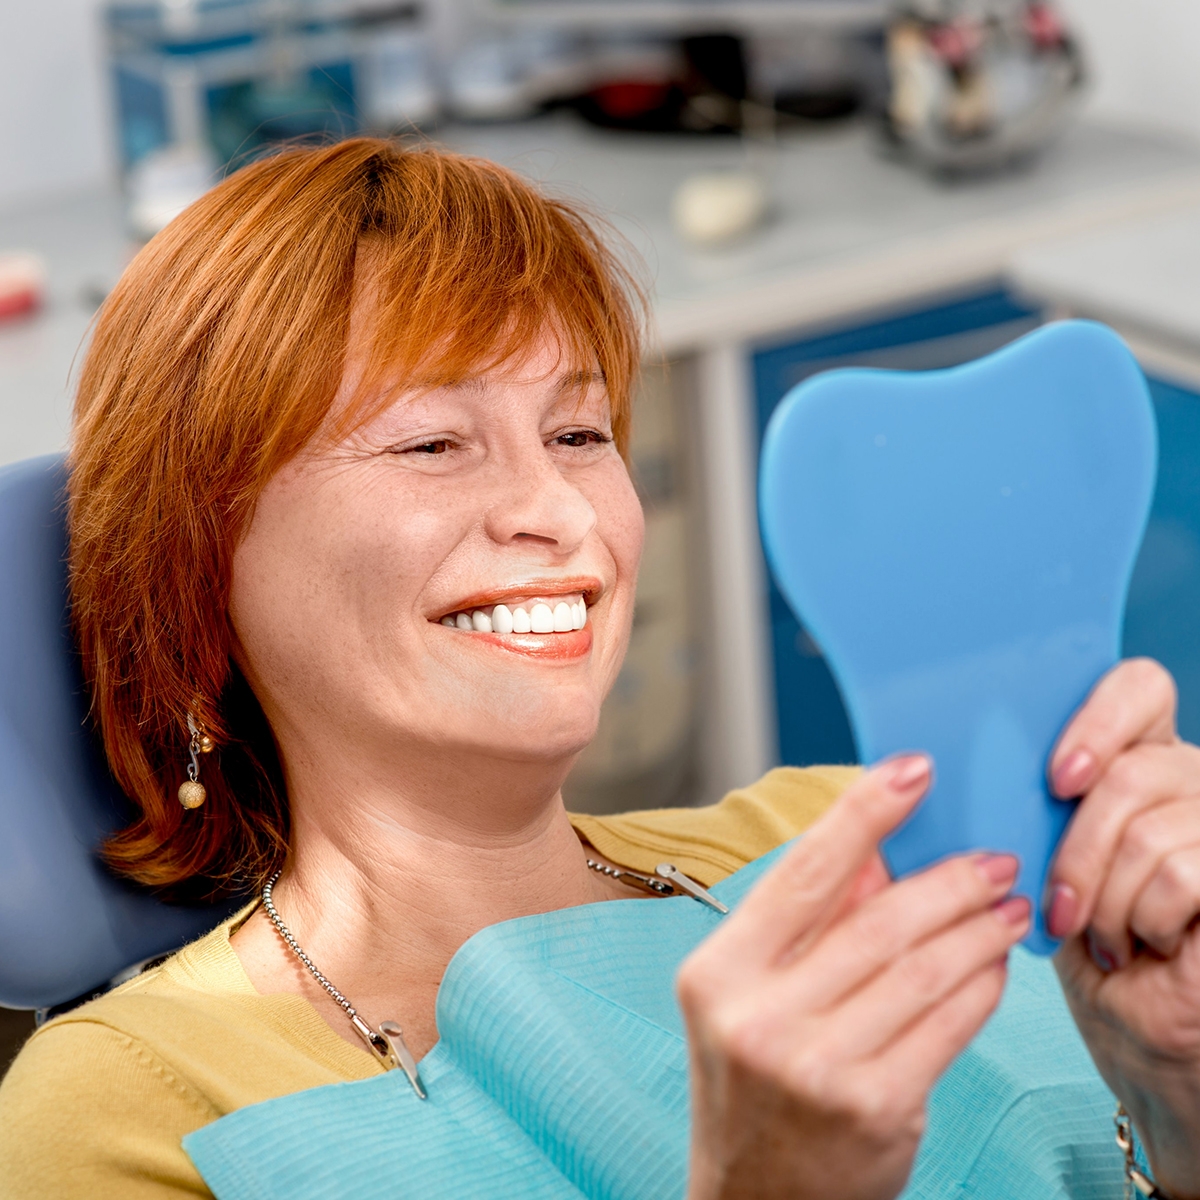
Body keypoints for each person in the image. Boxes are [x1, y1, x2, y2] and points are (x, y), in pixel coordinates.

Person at [1, 137, 1199, 1200]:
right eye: (431, 442)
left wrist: (1175, 1103)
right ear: (200, 565)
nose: (557, 509)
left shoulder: (864, 835)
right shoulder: (131, 1110)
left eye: (580, 434)